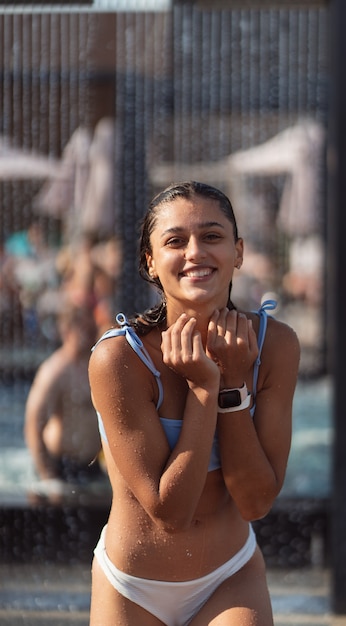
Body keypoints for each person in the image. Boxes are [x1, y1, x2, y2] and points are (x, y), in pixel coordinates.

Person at [88, 181, 300, 625]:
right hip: (132, 587)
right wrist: (206, 387)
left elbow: (256, 502)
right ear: (150, 261)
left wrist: (232, 384)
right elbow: (171, 513)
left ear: (238, 252)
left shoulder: (275, 346)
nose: (195, 253)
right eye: (175, 241)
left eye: (212, 236)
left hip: (230, 577)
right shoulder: (120, 360)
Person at [25, 303, 103, 484]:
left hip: (91, 466)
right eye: (85, 328)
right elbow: (33, 424)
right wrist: (48, 476)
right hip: (61, 466)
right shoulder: (55, 371)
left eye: (92, 328)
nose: (91, 334)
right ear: (67, 331)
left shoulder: (95, 365)